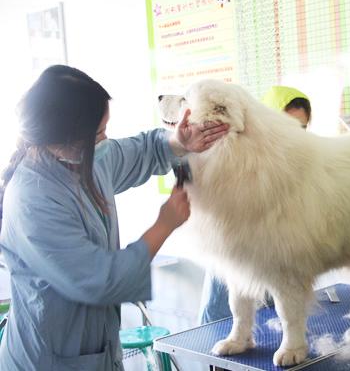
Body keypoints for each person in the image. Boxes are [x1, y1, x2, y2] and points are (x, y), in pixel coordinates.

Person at [0, 65, 229, 370]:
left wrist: (179, 142)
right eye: (98, 133)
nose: (105, 140)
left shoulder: (84, 159)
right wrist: (164, 225)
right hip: (47, 359)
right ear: (66, 136)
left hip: (96, 350)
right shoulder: (33, 199)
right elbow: (101, 280)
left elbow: (139, 151)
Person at [199, 85, 312, 324]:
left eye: (301, 127)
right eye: (285, 122)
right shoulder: (234, 157)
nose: (293, 132)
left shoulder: (301, 162)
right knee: (223, 332)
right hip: (233, 269)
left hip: (274, 283)